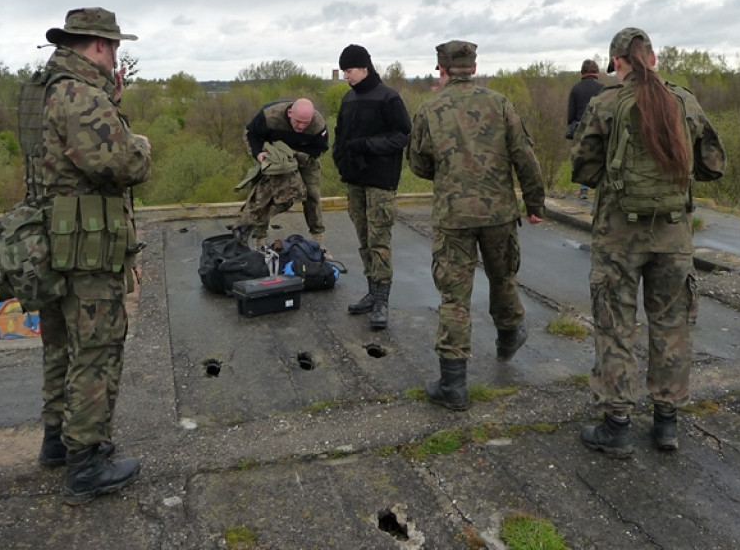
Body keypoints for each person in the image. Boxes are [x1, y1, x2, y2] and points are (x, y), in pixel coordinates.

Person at [571, 27, 725, 457]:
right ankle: (666, 425)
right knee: (673, 325)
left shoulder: (604, 102)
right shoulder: (685, 100)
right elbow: (714, 164)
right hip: (673, 235)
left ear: (617, 63)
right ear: (653, 59)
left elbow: (582, 169)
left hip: (618, 236)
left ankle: (617, 426)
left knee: (615, 324)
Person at [32, 7, 152, 504]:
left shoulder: (56, 88)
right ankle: (87, 462)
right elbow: (118, 161)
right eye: (115, 48)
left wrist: (113, 102)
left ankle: (57, 442)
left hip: (62, 240)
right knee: (97, 348)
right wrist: (140, 144)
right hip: (89, 246)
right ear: (100, 46)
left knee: (62, 344)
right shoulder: (81, 94)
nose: (115, 58)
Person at [408, 40, 546, 411]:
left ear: (441, 68)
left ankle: (454, 384)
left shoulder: (429, 108)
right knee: (503, 277)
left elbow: (419, 164)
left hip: (454, 217)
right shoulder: (499, 104)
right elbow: (524, 156)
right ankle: (508, 335)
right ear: (473, 65)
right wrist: (535, 203)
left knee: (454, 297)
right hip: (499, 213)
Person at [332, 44, 411, 329]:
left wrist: (367, 146)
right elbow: (341, 135)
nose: (346, 76)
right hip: (354, 179)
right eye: (343, 71)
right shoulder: (348, 99)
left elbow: (402, 135)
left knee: (379, 240)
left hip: (380, 181)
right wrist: (340, 157)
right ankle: (370, 292)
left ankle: (382, 301)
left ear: (364, 67)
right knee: (364, 239)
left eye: (349, 70)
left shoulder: (388, 97)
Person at [233, 98, 329, 250]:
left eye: (306, 122)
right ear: (290, 113)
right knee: (262, 197)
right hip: (274, 157)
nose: (302, 126)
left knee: (312, 195)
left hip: (304, 157)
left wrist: (293, 157)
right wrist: (258, 154)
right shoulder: (269, 116)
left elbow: (320, 148)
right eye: (298, 121)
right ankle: (260, 242)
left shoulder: (318, 124)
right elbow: (251, 134)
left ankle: (319, 242)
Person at [566, 59, 603, 199]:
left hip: (580, 127)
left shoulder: (576, 89)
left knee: (581, 157)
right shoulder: (603, 88)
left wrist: (571, 126)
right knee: (600, 156)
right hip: (599, 126)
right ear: (596, 72)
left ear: (582, 72)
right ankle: (600, 188)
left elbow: (570, 115)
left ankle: (583, 190)